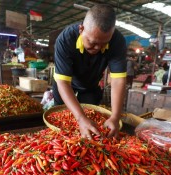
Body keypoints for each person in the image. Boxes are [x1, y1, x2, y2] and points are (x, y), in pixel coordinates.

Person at [53, 4, 127, 139]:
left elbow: (118, 80)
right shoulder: (65, 40)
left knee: (92, 120)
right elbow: (63, 82)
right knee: (61, 119)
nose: (98, 47)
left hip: (90, 84)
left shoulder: (117, 41)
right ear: (81, 29)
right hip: (65, 84)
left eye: (103, 43)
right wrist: (80, 118)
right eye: (92, 42)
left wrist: (115, 116)